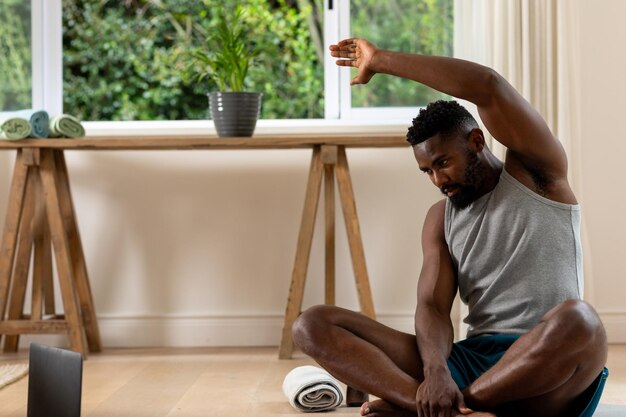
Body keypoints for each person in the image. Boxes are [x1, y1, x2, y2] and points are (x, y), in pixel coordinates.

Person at [292, 38, 608, 417]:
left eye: (444, 162)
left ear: (476, 141)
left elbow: (488, 86)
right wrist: (437, 371)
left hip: (544, 369)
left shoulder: (538, 174)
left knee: (581, 320)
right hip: (471, 361)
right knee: (312, 325)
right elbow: (433, 307)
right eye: (427, 170)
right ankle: (429, 405)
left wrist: (381, 60)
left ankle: (439, 408)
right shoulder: (440, 218)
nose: (438, 180)